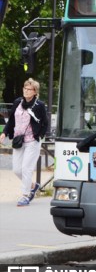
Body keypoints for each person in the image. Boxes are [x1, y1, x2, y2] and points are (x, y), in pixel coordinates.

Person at [0, 78, 49, 206]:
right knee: (17, 169)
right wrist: (4, 133)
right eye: (25, 88)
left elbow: (45, 122)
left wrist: (40, 135)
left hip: (32, 141)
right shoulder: (17, 102)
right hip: (18, 140)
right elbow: (11, 121)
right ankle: (33, 185)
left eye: (29, 89)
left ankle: (25, 195)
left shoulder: (39, 105)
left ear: (35, 92)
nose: (26, 91)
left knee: (26, 168)